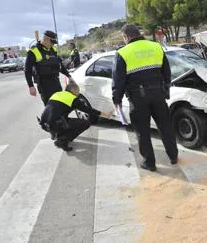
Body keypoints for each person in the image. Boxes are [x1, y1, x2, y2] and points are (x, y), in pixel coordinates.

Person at [112, 24, 178, 172]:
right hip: (158, 94)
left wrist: (117, 99)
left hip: (138, 98)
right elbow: (166, 72)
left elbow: (118, 80)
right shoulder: (156, 46)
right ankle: (173, 156)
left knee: (142, 131)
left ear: (126, 36)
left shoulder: (122, 52)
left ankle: (149, 163)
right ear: (138, 33)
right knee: (166, 126)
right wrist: (165, 92)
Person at [39, 80, 111, 151]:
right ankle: (62, 140)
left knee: (62, 119)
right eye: (78, 90)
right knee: (85, 123)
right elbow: (88, 110)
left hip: (44, 123)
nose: (79, 93)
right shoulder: (72, 99)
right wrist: (104, 114)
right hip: (55, 124)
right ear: (73, 90)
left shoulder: (57, 94)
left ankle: (57, 134)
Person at [25, 30, 72, 105]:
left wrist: (69, 76)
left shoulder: (54, 50)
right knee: (50, 107)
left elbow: (60, 65)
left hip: (56, 82)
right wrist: (31, 86)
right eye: (52, 42)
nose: (53, 44)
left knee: (61, 105)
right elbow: (28, 70)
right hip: (44, 85)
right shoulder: (33, 51)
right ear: (45, 40)